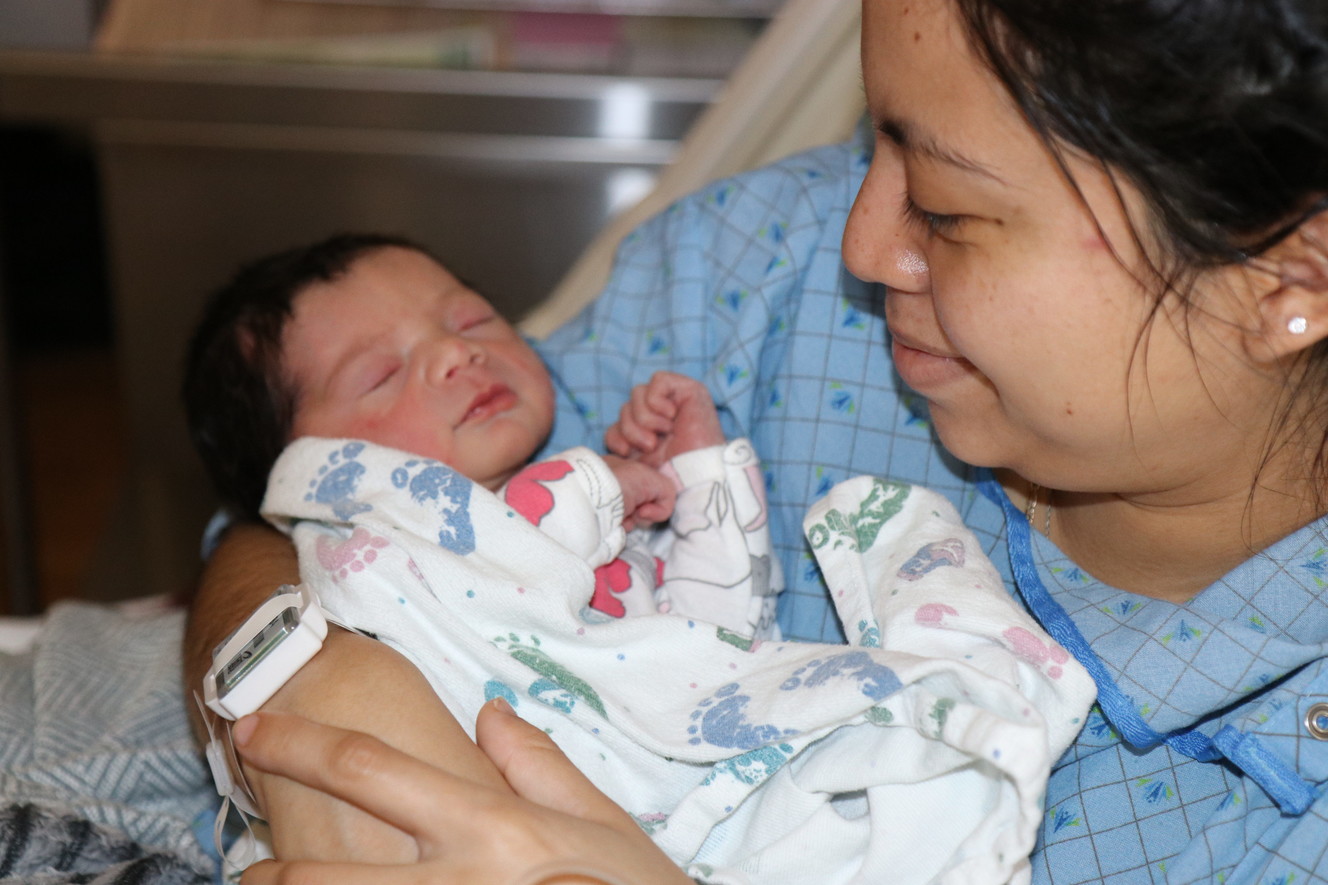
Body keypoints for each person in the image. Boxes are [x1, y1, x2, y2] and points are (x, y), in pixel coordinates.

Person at [185, 0, 1328, 882]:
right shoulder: (751, 280)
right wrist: (317, 693)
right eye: (872, 138)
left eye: (943, 205)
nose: (862, 242)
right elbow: (303, 504)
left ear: (1289, 282)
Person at [185, 235, 1093, 881]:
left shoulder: (577, 512)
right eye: (381, 374)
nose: (458, 352)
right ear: (308, 465)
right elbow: (504, 563)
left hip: (676, 808)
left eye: (470, 317)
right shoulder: (362, 540)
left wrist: (700, 482)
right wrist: (598, 486)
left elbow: (707, 649)